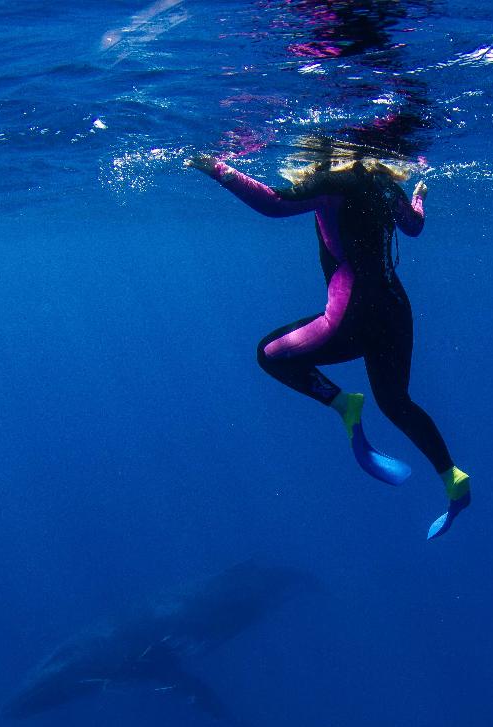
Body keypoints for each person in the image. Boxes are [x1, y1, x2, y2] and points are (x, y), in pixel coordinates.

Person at [190, 139, 470, 538]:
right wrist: (420, 196)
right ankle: (451, 476)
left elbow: (273, 203)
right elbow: (414, 226)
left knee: (269, 354)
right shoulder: (383, 183)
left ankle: (342, 403)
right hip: (395, 310)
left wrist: (216, 167)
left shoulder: (333, 182)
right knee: (396, 402)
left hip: (350, 318)